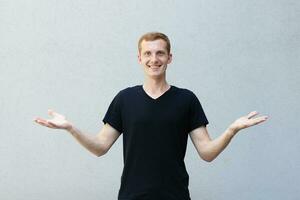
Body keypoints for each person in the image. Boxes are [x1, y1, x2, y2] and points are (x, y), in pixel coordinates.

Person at [34, 32, 268, 200]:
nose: (153, 59)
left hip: (175, 196)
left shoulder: (186, 99)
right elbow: (100, 146)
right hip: (132, 196)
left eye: (160, 53)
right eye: (147, 53)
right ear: (139, 58)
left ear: (169, 58)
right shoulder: (125, 99)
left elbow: (206, 153)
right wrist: (70, 128)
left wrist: (231, 130)